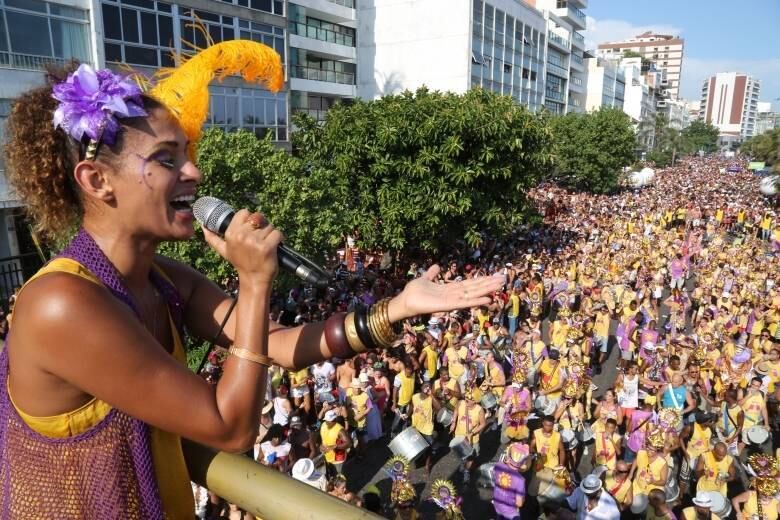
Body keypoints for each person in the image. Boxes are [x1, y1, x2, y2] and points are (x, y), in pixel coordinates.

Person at [449, 389, 486, 484]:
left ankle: (466, 471)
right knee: (462, 454)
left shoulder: (479, 410)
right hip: (460, 436)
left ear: (475, 400)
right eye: (466, 398)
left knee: (471, 456)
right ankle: (463, 464)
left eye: (470, 399)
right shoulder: (461, 403)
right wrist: (453, 422)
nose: (467, 401)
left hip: (472, 438)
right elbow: (456, 411)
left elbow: (483, 424)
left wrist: (473, 432)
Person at [408, 381, 440, 475]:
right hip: (416, 425)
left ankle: (427, 465)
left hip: (427, 428)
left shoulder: (431, 399)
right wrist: (407, 415)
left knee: (429, 447)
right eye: (425, 386)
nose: (427, 388)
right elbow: (411, 407)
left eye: (429, 387)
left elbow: (439, 408)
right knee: (417, 445)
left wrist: (431, 395)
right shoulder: (415, 396)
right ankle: (420, 459)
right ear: (421, 387)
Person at [492, 443, 529, 520]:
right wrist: (523, 499)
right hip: (510, 512)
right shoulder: (520, 480)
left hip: (497, 504)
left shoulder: (499, 466)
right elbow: (519, 503)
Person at [320, 409, 351, 478]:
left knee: (339, 478)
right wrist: (321, 445)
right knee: (330, 475)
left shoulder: (340, 430)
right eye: (327, 420)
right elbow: (323, 438)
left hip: (337, 459)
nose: (328, 422)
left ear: (335, 419)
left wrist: (335, 447)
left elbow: (349, 443)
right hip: (327, 456)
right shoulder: (323, 425)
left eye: (331, 420)